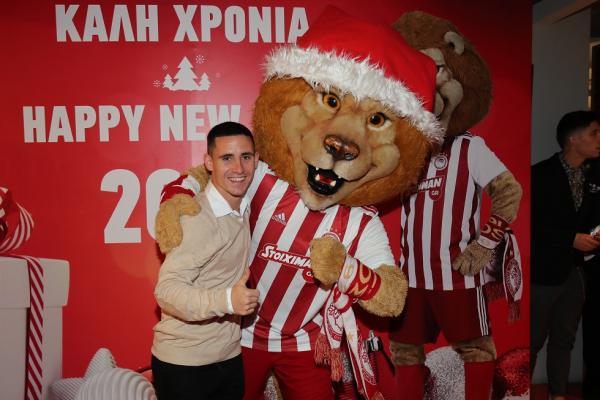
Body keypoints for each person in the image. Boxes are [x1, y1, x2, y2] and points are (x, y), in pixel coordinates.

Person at [390, 132, 523, 400]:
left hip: (457, 273)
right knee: (405, 349)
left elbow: (509, 191)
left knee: (476, 348)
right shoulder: (406, 147)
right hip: (410, 274)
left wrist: (485, 243)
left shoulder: (468, 146)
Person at [151, 121, 260, 400]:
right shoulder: (198, 218)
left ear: (256, 159)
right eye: (227, 158)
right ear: (209, 163)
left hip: (227, 357)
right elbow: (166, 291)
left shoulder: (243, 206)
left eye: (246, 157)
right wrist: (227, 301)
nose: (239, 168)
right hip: (185, 366)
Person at [530, 110, 600, 400]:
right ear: (573, 139)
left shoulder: (594, 176)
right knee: (532, 340)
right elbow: (529, 225)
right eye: (594, 133)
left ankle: (557, 396)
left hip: (577, 272)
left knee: (564, 340)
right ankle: (517, 393)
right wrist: (570, 239)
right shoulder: (539, 174)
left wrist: (594, 236)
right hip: (543, 272)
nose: (599, 139)